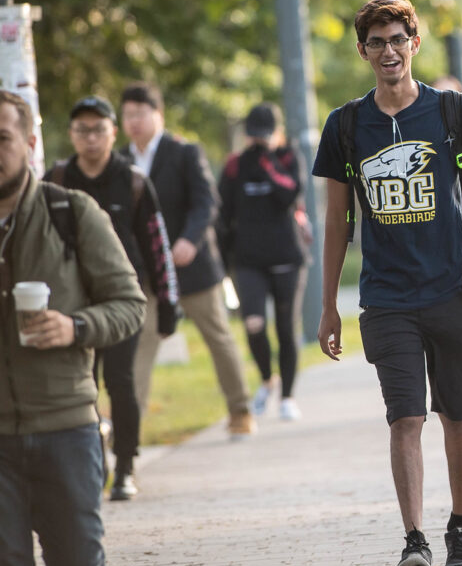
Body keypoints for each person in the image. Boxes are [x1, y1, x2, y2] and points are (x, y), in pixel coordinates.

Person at [312, 0, 462, 566]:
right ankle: (414, 540)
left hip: (452, 292)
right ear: (362, 51)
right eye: (376, 42)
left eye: (398, 40)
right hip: (387, 298)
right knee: (404, 418)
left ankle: (460, 524)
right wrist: (328, 306)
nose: (388, 51)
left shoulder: (453, 112)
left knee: (456, 412)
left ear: (415, 44)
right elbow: (338, 222)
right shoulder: (346, 126)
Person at [0, 90, 146, 566]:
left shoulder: (70, 212)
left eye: (1, 137)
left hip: (67, 423)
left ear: (30, 143)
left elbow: (128, 304)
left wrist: (75, 327)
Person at [45, 96, 179, 501]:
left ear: (112, 133)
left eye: (98, 129)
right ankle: (92, 460)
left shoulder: (133, 180)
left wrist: (169, 300)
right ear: (72, 134)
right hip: (72, 302)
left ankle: (125, 466)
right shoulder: (57, 179)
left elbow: (157, 244)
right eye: (82, 129)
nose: (90, 137)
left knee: (121, 383)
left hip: (122, 300)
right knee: (82, 385)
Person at [120, 82, 256, 437]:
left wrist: (189, 241)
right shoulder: (120, 160)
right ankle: (128, 431)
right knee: (141, 345)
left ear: (157, 114)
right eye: (127, 115)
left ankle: (240, 410)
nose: (133, 121)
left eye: (140, 113)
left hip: (191, 265)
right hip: (145, 273)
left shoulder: (183, 152)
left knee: (218, 337)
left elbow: (206, 203)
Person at [218, 103, 310, 421]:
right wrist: (223, 259)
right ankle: (267, 379)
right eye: (254, 137)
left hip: (286, 256)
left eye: (264, 136)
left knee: (286, 328)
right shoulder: (234, 165)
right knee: (254, 324)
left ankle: (287, 396)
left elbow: (291, 194)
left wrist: (268, 165)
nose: (258, 142)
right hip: (248, 260)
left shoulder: (287, 158)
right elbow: (223, 212)